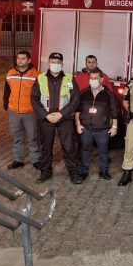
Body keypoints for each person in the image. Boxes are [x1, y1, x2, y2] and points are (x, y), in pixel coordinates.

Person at [30, 52, 82, 184]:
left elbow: (75, 99)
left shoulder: (69, 78)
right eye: (53, 62)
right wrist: (45, 115)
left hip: (64, 119)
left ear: (62, 64)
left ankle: (74, 173)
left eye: (58, 63)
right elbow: (34, 99)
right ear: (49, 63)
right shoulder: (40, 78)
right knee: (46, 147)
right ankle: (45, 173)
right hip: (46, 119)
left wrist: (61, 114)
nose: (55, 65)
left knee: (69, 147)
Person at [75, 69, 119, 180]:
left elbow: (114, 111)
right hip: (86, 129)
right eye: (91, 78)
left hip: (102, 129)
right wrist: (78, 124)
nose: (93, 80)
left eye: (95, 78)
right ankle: (84, 171)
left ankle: (103, 171)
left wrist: (114, 126)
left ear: (101, 79)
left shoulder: (109, 94)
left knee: (103, 151)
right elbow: (77, 110)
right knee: (84, 150)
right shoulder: (84, 93)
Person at [4, 50, 41, 170]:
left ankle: (36, 160)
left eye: (23, 58)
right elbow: (6, 91)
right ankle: (18, 160)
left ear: (29, 60)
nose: (20, 61)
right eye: (18, 58)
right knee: (17, 137)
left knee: (33, 137)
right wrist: (6, 105)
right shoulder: (10, 73)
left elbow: (41, 95)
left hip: (30, 112)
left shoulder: (36, 75)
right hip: (14, 111)